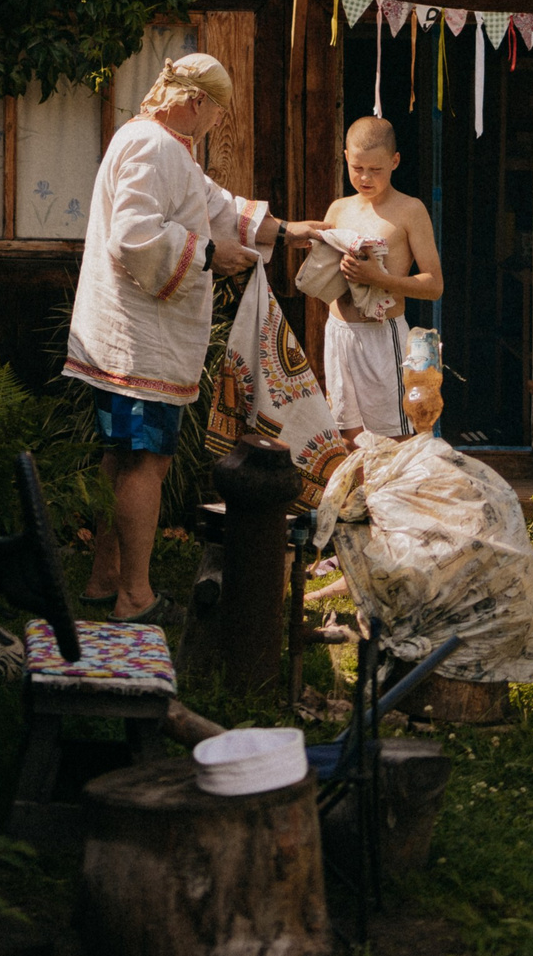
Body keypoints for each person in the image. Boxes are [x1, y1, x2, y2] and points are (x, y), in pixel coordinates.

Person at [64, 53, 317, 621]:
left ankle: (105, 579)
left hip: (131, 340)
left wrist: (293, 231)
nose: (218, 125)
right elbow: (132, 235)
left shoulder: (159, 144)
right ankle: (135, 597)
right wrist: (208, 252)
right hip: (138, 342)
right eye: (219, 112)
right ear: (198, 100)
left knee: (121, 457)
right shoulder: (153, 147)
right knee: (145, 461)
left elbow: (215, 204)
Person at [313, 117, 445, 437]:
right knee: (346, 437)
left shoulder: (409, 210)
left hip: (382, 337)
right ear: (345, 157)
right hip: (339, 333)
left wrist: (378, 278)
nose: (365, 177)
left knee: (394, 438)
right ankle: (357, 490)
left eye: (376, 169)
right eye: (357, 168)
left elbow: (434, 286)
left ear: (395, 161)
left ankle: (390, 489)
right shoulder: (338, 209)